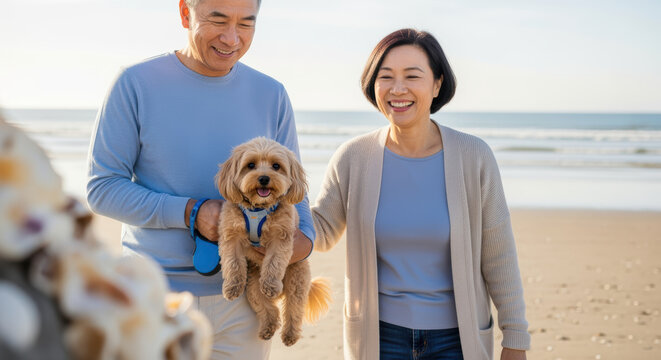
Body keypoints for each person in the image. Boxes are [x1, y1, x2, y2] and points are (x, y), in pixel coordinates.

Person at [86, 0, 315, 358]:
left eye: (246, 24)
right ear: (184, 13)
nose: (231, 38)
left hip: (245, 306)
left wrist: (304, 244)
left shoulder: (272, 94)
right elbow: (102, 188)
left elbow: (297, 193)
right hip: (153, 297)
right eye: (218, 19)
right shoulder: (134, 83)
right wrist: (192, 211)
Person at [311, 29, 530, 360]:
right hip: (379, 338)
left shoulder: (474, 156)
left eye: (412, 76)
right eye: (386, 77)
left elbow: (499, 256)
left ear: (437, 84)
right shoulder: (353, 157)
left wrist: (515, 338)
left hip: (457, 341)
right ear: (373, 85)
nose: (398, 89)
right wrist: (263, 203)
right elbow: (320, 231)